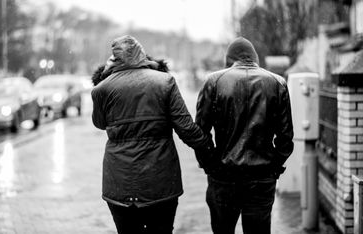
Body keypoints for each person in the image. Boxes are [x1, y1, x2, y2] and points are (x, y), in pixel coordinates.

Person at [91, 35, 213, 234]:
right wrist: (208, 151)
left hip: (119, 182)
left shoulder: (102, 89)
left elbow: (99, 123)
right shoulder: (164, 82)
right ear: (142, 54)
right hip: (160, 180)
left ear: (115, 58)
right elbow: (186, 128)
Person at [195, 37, 294, 234]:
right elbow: (285, 138)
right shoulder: (277, 83)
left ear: (229, 59)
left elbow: (200, 133)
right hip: (261, 178)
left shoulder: (213, 82)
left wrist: (211, 165)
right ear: (255, 58)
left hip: (224, 177)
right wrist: (272, 167)